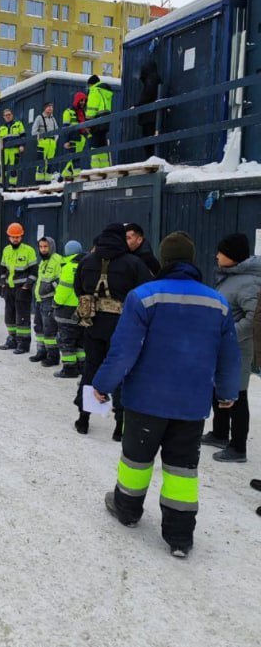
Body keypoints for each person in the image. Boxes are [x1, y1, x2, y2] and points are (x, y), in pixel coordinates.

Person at [94, 232, 239, 558]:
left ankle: (127, 510)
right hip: (191, 404)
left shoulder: (144, 296)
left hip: (146, 400)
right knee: (182, 470)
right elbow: (228, 353)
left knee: (136, 460)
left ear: (164, 259)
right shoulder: (216, 301)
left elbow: (124, 350)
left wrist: (102, 384)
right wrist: (227, 393)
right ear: (191, 260)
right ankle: (179, 536)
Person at [73, 223, 155, 436]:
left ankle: (84, 418)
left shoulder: (87, 261)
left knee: (91, 367)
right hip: (122, 325)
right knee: (121, 370)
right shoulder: (133, 263)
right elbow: (145, 292)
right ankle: (120, 425)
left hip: (92, 323)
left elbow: (78, 288)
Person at [201, 233, 260, 463]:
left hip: (238, 349)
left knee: (238, 394)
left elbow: (254, 318)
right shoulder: (231, 276)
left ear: (233, 256)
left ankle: (238, 447)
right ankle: (219, 433)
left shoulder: (250, 281)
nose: (216, 256)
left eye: (221, 252)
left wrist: (229, 336)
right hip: (222, 347)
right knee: (220, 388)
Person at [0, 223, 38, 353]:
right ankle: (12, 339)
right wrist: (2, 282)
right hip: (9, 289)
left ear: (21, 236)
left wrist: (27, 286)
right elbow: (3, 268)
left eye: (17, 237)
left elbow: (34, 272)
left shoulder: (29, 250)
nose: (15, 239)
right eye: (13, 237)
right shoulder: (6, 250)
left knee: (22, 317)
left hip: (22, 289)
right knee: (9, 316)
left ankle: (23, 343)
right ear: (9, 237)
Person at [52, 240, 86, 378]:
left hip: (66, 310)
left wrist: (55, 302)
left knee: (66, 340)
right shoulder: (86, 264)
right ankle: (82, 366)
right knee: (79, 340)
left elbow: (63, 289)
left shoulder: (68, 267)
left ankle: (69, 368)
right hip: (82, 309)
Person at [30, 237, 62, 367]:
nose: (43, 249)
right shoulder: (42, 262)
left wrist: (50, 287)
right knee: (39, 327)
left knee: (49, 329)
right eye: (41, 247)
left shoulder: (58, 260)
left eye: (45, 247)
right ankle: (41, 351)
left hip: (49, 299)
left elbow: (61, 279)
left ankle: (53, 356)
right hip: (39, 300)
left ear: (51, 246)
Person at [84, 74, 114, 168]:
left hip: (96, 120)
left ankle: (95, 168)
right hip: (106, 119)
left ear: (91, 84)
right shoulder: (105, 91)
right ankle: (104, 166)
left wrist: (87, 122)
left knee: (94, 143)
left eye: (88, 85)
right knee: (102, 143)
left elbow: (92, 108)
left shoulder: (95, 90)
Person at [60, 92, 88, 180]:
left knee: (76, 158)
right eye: (81, 100)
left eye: (84, 100)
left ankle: (63, 176)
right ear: (77, 100)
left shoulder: (83, 112)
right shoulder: (68, 112)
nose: (83, 102)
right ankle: (77, 177)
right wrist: (65, 141)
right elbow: (65, 128)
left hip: (81, 139)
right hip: (72, 139)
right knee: (75, 159)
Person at [31, 103, 60, 183]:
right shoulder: (39, 117)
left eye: (52, 107)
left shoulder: (53, 118)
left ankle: (47, 180)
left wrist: (55, 139)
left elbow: (57, 130)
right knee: (41, 162)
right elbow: (33, 131)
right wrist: (40, 139)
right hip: (43, 143)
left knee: (50, 162)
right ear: (45, 108)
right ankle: (39, 181)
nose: (50, 108)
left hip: (52, 144)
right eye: (49, 107)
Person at [0, 108, 26, 188]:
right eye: (6, 115)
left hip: (15, 149)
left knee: (14, 168)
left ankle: (12, 185)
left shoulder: (18, 124)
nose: (8, 116)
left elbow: (23, 136)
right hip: (4, 151)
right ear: (4, 117)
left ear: (12, 115)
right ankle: (1, 184)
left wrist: (22, 145)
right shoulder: (1, 128)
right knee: (2, 167)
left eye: (9, 115)